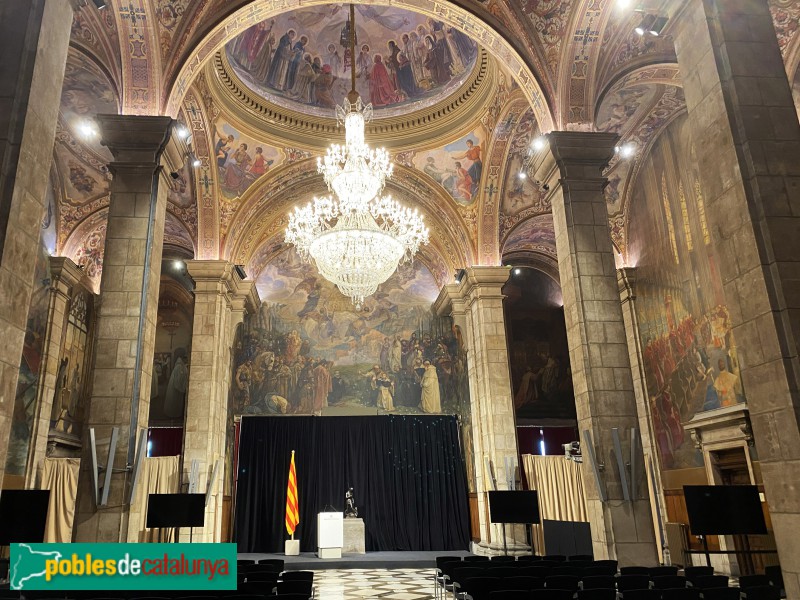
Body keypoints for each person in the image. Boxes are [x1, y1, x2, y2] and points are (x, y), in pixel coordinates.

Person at [164, 348, 188, 418]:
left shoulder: (182, 366)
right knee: (174, 408)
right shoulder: (179, 367)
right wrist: (184, 389)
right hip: (176, 391)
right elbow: (177, 383)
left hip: (178, 390)